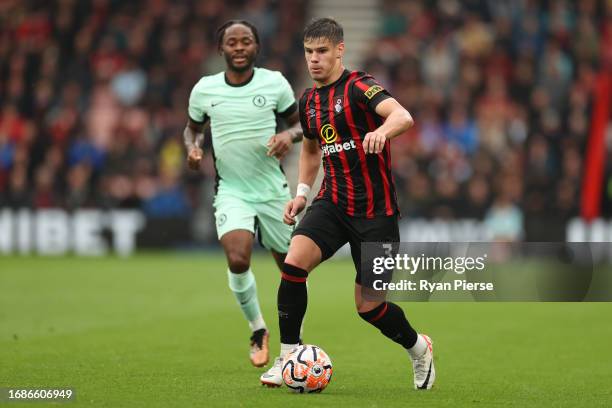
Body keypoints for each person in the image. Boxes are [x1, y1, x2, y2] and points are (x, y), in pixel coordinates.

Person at [259, 18, 435, 390]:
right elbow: (309, 148)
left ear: (340, 50)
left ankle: (419, 348)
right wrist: (303, 192)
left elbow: (402, 116)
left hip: (376, 215)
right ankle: (289, 355)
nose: (314, 59)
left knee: (369, 308)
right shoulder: (309, 101)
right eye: (309, 52)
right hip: (333, 203)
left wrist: (381, 131)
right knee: (293, 263)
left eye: (322, 51)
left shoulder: (359, 87)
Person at [184, 20, 303, 368]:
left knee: (293, 270)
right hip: (232, 190)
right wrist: (193, 149)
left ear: (256, 47)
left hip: (272, 189)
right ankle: (257, 329)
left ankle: (293, 345)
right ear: (220, 49)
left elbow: (300, 124)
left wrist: (288, 137)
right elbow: (191, 131)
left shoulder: (274, 83)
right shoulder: (205, 90)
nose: (239, 47)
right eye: (231, 42)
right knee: (238, 258)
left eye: (245, 41)